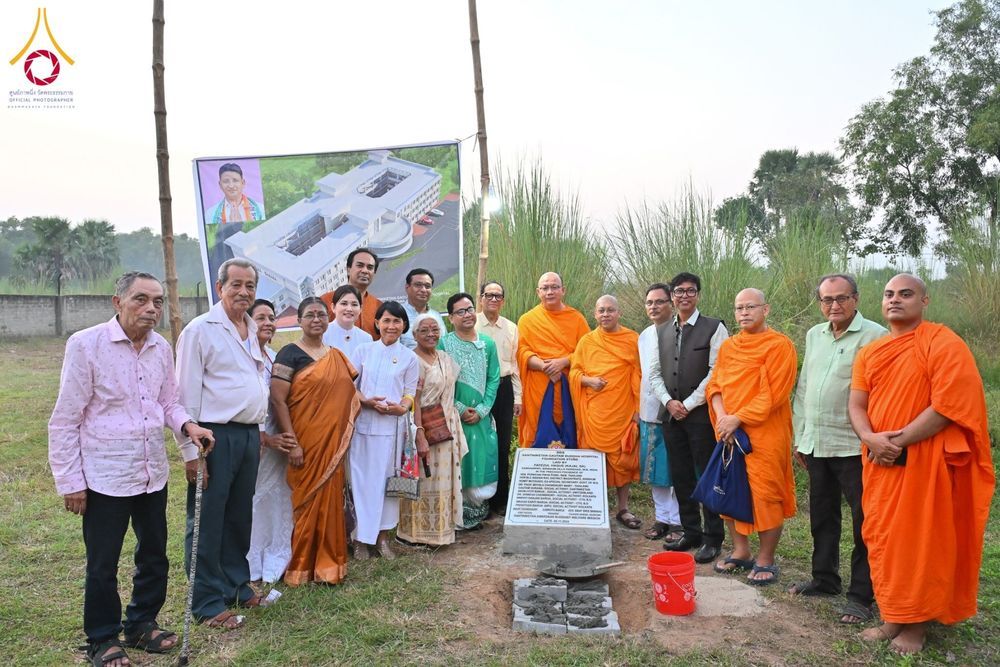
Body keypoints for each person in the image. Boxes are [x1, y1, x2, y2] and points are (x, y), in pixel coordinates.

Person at [48, 271, 215, 667]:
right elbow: (65, 419)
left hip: (151, 472)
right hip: (105, 476)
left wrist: (188, 426)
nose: (151, 308)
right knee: (103, 563)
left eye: (157, 301)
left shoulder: (161, 347)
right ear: (117, 302)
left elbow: (167, 403)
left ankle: (141, 624)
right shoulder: (86, 345)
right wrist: (71, 482)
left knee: (154, 554)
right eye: (141, 299)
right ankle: (102, 638)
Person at [849, 273, 994, 655]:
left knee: (921, 538)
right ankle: (893, 615)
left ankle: (916, 626)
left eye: (906, 294)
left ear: (924, 301)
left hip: (924, 461)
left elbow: (948, 406)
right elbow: (857, 402)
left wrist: (895, 441)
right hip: (879, 460)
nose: (895, 299)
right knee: (884, 537)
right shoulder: (872, 352)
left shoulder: (943, 343)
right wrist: (869, 437)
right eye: (889, 294)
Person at [176, 258, 270, 629]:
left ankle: (236, 585)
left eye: (250, 286)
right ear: (220, 288)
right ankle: (206, 601)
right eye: (236, 285)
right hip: (213, 436)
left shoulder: (252, 328)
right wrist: (190, 453)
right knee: (207, 519)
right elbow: (184, 394)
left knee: (239, 516)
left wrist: (256, 433)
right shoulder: (200, 330)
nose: (244, 292)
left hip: (247, 435)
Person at [788, 275, 886, 624]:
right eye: (827, 299)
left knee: (865, 522)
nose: (834, 305)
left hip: (854, 446)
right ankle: (825, 579)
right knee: (822, 515)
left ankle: (861, 596)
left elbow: (883, 393)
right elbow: (804, 388)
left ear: (856, 298)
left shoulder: (876, 336)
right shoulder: (815, 334)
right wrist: (801, 436)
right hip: (817, 442)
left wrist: (874, 438)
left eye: (841, 298)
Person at [706, 288, 797, 585]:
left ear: (765, 309)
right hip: (728, 433)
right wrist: (723, 418)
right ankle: (741, 550)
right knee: (729, 488)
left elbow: (774, 394)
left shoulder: (779, 346)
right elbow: (715, 386)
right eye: (739, 308)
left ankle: (766, 558)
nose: (744, 313)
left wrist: (737, 418)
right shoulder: (729, 346)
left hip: (764, 434)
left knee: (766, 494)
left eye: (750, 307)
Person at [270, 297, 360, 585]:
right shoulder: (289, 354)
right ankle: (302, 566)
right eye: (310, 315)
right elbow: (278, 400)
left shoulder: (335, 355)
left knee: (331, 500)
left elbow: (348, 395)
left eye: (321, 314)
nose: (316, 320)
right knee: (307, 501)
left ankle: (330, 564)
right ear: (299, 320)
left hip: (332, 444)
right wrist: (293, 442)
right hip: (305, 440)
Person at [654, 272, 729, 563]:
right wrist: (669, 402)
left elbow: (716, 371)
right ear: (672, 296)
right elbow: (654, 372)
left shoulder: (714, 327)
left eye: (690, 291)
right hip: (671, 415)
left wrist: (687, 404)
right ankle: (691, 531)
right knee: (681, 475)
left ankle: (713, 537)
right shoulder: (662, 330)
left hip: (700, 416)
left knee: (706, 475)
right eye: (679, 291)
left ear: (698, 294)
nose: (684, 296)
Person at [349, 301, 419, 559]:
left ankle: (381, 538)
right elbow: (349, 387)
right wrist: (366, 401)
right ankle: (360, 539)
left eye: (397, 321)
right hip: (363, 428)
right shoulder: (363, 351)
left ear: (404, 325)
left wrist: (402, 408)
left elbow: (410, 393)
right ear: (377, 323)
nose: (391, 326)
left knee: (388, 485)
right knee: (362, 484)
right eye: (386, 320)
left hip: (393, 431)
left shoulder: (410, 358)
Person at [570, 295, 642, 529]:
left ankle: (623, 508)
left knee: (623, 461)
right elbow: (574, 373)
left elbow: (639, 376)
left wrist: (638, 409)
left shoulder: (632, 339)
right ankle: (595, 509)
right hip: (594, 412)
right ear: (595, 314)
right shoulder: (587, 341)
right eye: (601, 310)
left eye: (610, 310)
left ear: (619, 313)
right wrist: (588, 381)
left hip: (622, 410)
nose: (605, 314)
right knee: (592, 460)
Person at [397, 314, 468, 546]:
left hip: (446, 428)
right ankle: (414, 534)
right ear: (414, 335)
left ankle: (442, 530)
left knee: (443, 480)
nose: (430, 334)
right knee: (423, 477)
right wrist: (419, 434)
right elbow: (414, 400)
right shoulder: (413, 361)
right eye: (424, 330)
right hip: (424, 428)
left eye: (435, 329)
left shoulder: (444, 357)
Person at [440, 292, 501, 529]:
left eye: (469, 309)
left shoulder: (488, 344)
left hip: (482, 416)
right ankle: (457, 515)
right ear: (451, 318)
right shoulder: (444, 344)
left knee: (482, 457)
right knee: (459, 460)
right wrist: (460, 408)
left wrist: (483, 409)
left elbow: (494, 379)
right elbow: (441, 380)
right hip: (454, 416)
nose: (467, 315)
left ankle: (477, 511)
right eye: (460, 311)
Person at [246, 298, 296, 584]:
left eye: (271, 318)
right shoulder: (243, 357)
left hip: (280, 441)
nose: (268, 323)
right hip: (256, 442)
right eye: (261, 318)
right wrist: (266, 438)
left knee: (279, 497)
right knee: (254, 500)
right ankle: (251, 560)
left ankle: (278, 554)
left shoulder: (275, 356)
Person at [516, 272, 590, 447]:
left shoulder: (577, 319)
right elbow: (522, 352)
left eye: (554, 287)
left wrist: (563, 362)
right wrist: (544, 366)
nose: (550, 292)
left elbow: (587, 351)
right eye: (545, 288)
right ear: (538, 292)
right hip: (538, 387)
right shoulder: (527, 320)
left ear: (563, 290)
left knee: (570, 431)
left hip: (569, 387)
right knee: (537, 433)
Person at [637, 283, 681, 541]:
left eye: (659, 302)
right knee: (655, 469)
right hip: (649, 410)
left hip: (675, 410)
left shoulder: (680, 331)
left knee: (675, 468)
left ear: (671, 303)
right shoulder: (644, 335)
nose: (654, 307)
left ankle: (678, 521)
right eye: (649, 302)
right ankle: (662, 518)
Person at [475, 280, 522, 516]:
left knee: (502, 444)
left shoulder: (511, 328)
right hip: (478, 389)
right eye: (489, 295)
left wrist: (518, 397)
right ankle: (477, 500)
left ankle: (501, 499)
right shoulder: (471, 324)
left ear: (503, 301)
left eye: (498, 296)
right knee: (479, 443)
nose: (493, 299)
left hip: (504, 390)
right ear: (481, 298)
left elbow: (515, 365)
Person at [320, 248, 382, 339]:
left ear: (374, 273)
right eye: (360, 265)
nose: (365, 271)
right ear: (348, 270)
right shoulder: (326, 300)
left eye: (370, 267)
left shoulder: (379, 307)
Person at [399, 268, 447, 350]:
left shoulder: (436, 316)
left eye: (427, 286)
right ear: (407, 287)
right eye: (418, 285)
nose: (423, 290)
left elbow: (445, 345)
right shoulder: (397, 314)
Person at [322, 284, 374, 358]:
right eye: (344, 303)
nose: (349, 309)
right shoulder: (322, 334)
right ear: (333, 307)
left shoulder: (366, 338)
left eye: (354, 304)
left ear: (360, 309)